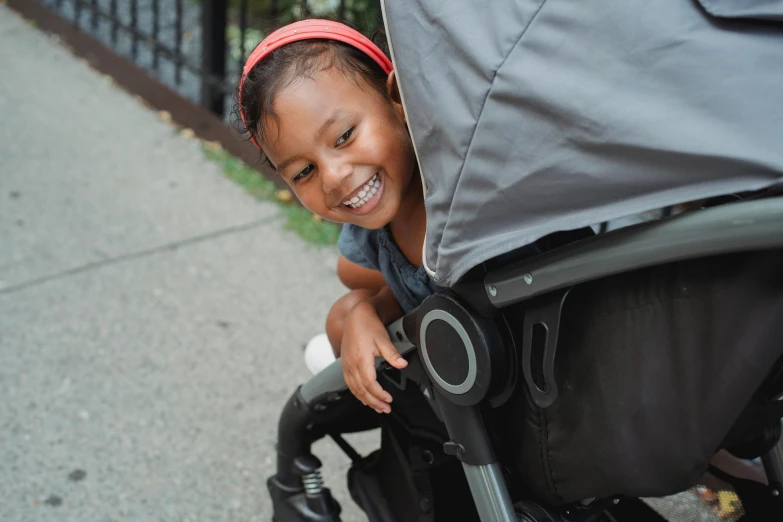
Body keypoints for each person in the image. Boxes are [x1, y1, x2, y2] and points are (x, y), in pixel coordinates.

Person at [237, 20, 438, 415]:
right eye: (303, 172)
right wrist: (371, 309)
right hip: (455, 386)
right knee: (345, 316)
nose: (333, 177)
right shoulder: (376, 231)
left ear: (398, 99)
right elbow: (397, 293)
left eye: (344, 136)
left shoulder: (464, 193)